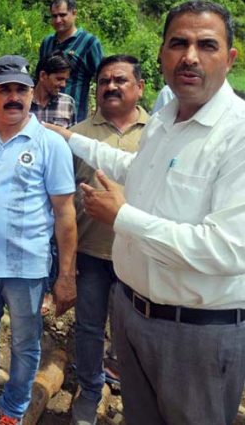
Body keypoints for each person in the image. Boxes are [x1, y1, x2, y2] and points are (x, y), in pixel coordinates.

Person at [45, 0, 245, 425]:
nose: (190, 56)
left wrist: (123, 218)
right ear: (162, 55)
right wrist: (71, 138)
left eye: (206, 45)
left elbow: (229, 250)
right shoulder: (165, 118)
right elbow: (136, 169)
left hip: (195, 332)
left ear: (229, 58)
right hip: (134, 315)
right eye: (178, 43)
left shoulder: (238, 134)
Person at [0, 55, 77, 425]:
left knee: (24, 344)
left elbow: (64, 214)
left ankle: (13, 409)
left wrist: (65, 275)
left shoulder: (51, 144)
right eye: (4, 90)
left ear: (32, 93)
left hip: (26, 268)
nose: (13, 97)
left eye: (20, 90)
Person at [67, 55, 149, 425]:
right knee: (88, 325)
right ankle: (89, 389)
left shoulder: (158, 134)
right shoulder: (79, 132)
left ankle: (136, 395)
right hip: (91, 252)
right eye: (103, 81)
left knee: (135, 331)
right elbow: (62, 195)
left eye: (120, 80)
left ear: (140, 87)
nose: (111, 87)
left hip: (140, 253)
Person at [36, 0, 103, 121]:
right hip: (44, 114)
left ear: (74, 13)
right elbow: (40, 78)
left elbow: (101, 79)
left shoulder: (89, 43)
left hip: (74, 116)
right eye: (54, 16)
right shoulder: (47, 42)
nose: (58, 20)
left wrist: (99, 116)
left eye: (62, 15)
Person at [31, 50, 76, 128]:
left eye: (66, 80)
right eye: (59, 79)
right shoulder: (23, 102)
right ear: (43, 75)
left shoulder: (67, 103)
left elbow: (71, 137)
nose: (63, 85)